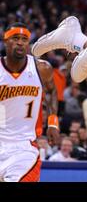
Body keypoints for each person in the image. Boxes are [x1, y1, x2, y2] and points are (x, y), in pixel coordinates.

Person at [0, 23, 60, 182]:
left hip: (24, 147)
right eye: (15, 38)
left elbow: (52, 91)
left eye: (24, 39)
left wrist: (53, 122)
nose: (20, 42)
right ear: (5, 41)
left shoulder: (41, 68)